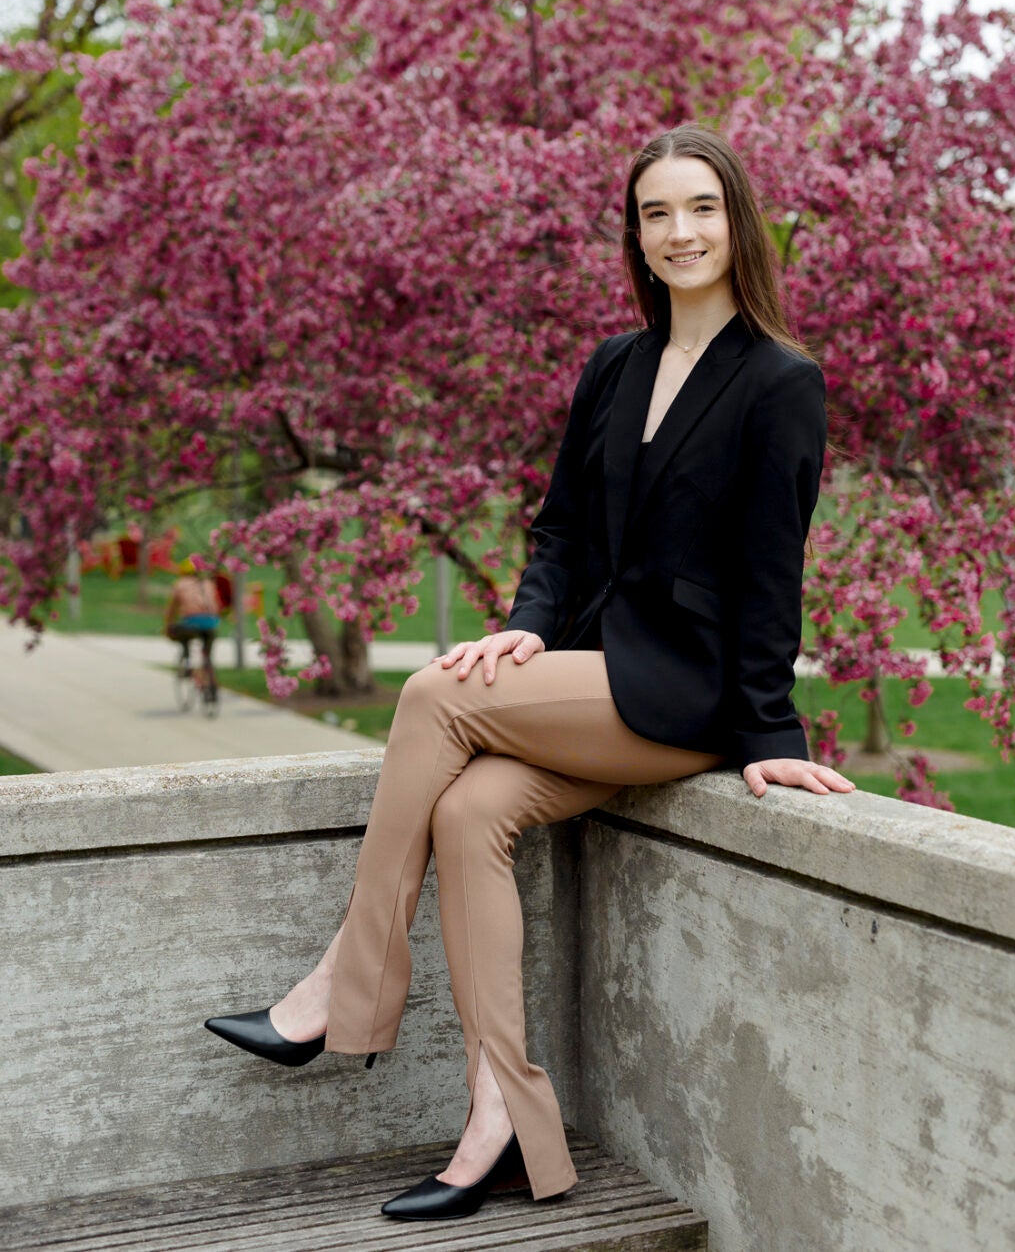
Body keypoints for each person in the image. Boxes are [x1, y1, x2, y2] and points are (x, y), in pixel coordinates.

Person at [204, 125, 856, 1221]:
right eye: (655, 213)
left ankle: (338, 992)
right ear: (636, 236)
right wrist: (523, 631)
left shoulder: (781, 382)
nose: (678, 231)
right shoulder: (615, 365)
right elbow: (558, 535)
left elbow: (769, 575)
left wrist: (772, 737)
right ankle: (505, 1121)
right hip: (591, 674)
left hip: (684, 694)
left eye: (699, 208)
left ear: (736, 221)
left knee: (428, 692)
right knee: (467, 815)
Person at [164, 557, 222, 702]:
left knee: (183, 634)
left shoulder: (180, 584)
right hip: (211, 623)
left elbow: (171, 610)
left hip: (191, 624)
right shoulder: (208, 583)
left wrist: (168, 626)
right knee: (207, 655)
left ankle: (188, 662)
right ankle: (212, 683)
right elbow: (218, 605)